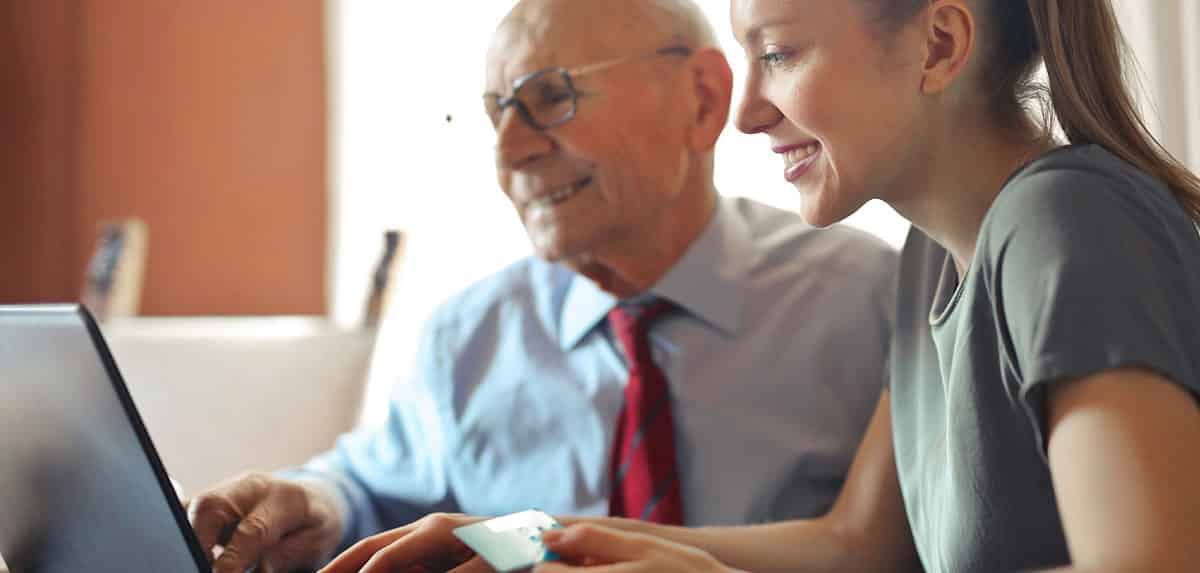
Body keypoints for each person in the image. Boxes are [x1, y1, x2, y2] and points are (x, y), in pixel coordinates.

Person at [320, 0, 1200, 572]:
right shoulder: (932, 259)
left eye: (778, 53)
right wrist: (529, 540)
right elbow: (854, 544)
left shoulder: (1066, 222)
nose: (745, 114)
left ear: (938, 45)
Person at [184, 1, 900, 571]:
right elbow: (370, 486)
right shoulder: (468, 335)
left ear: (702, 99)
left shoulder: (871, 299)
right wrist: (314, 503)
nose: (510, 151)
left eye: (550, 97)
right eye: (497, 112)